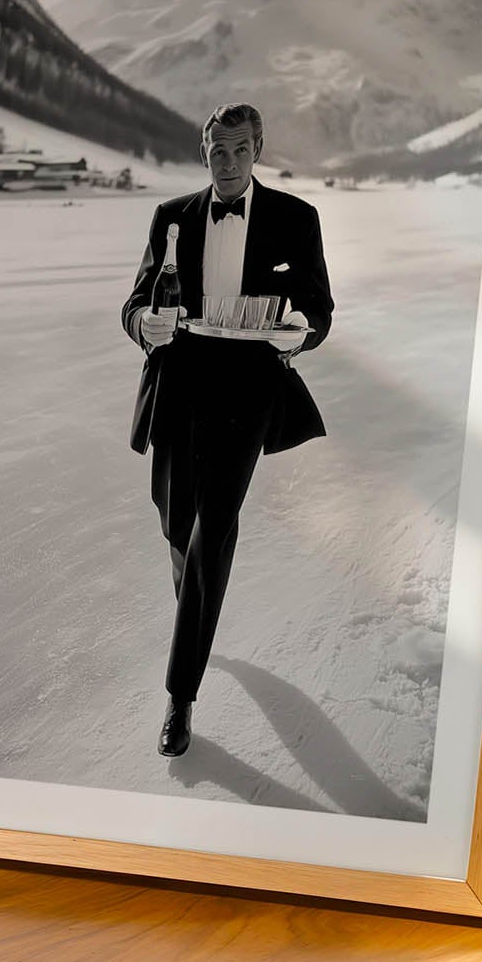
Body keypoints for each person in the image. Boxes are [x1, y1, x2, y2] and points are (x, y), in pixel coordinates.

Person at [121, 102, 334, 757]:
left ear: (259, 149)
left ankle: (179, 696)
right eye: (219, 151)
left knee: (212, 532)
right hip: (178, 390)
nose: (230, 163)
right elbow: (136, 302)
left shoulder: (297, 220)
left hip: (248, 396)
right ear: (204, 153)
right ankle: (199, 610)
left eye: (241, 151)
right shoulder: (172, 218)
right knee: (173, 523)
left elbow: (318, 308)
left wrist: (300, 332)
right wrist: (143, 326)